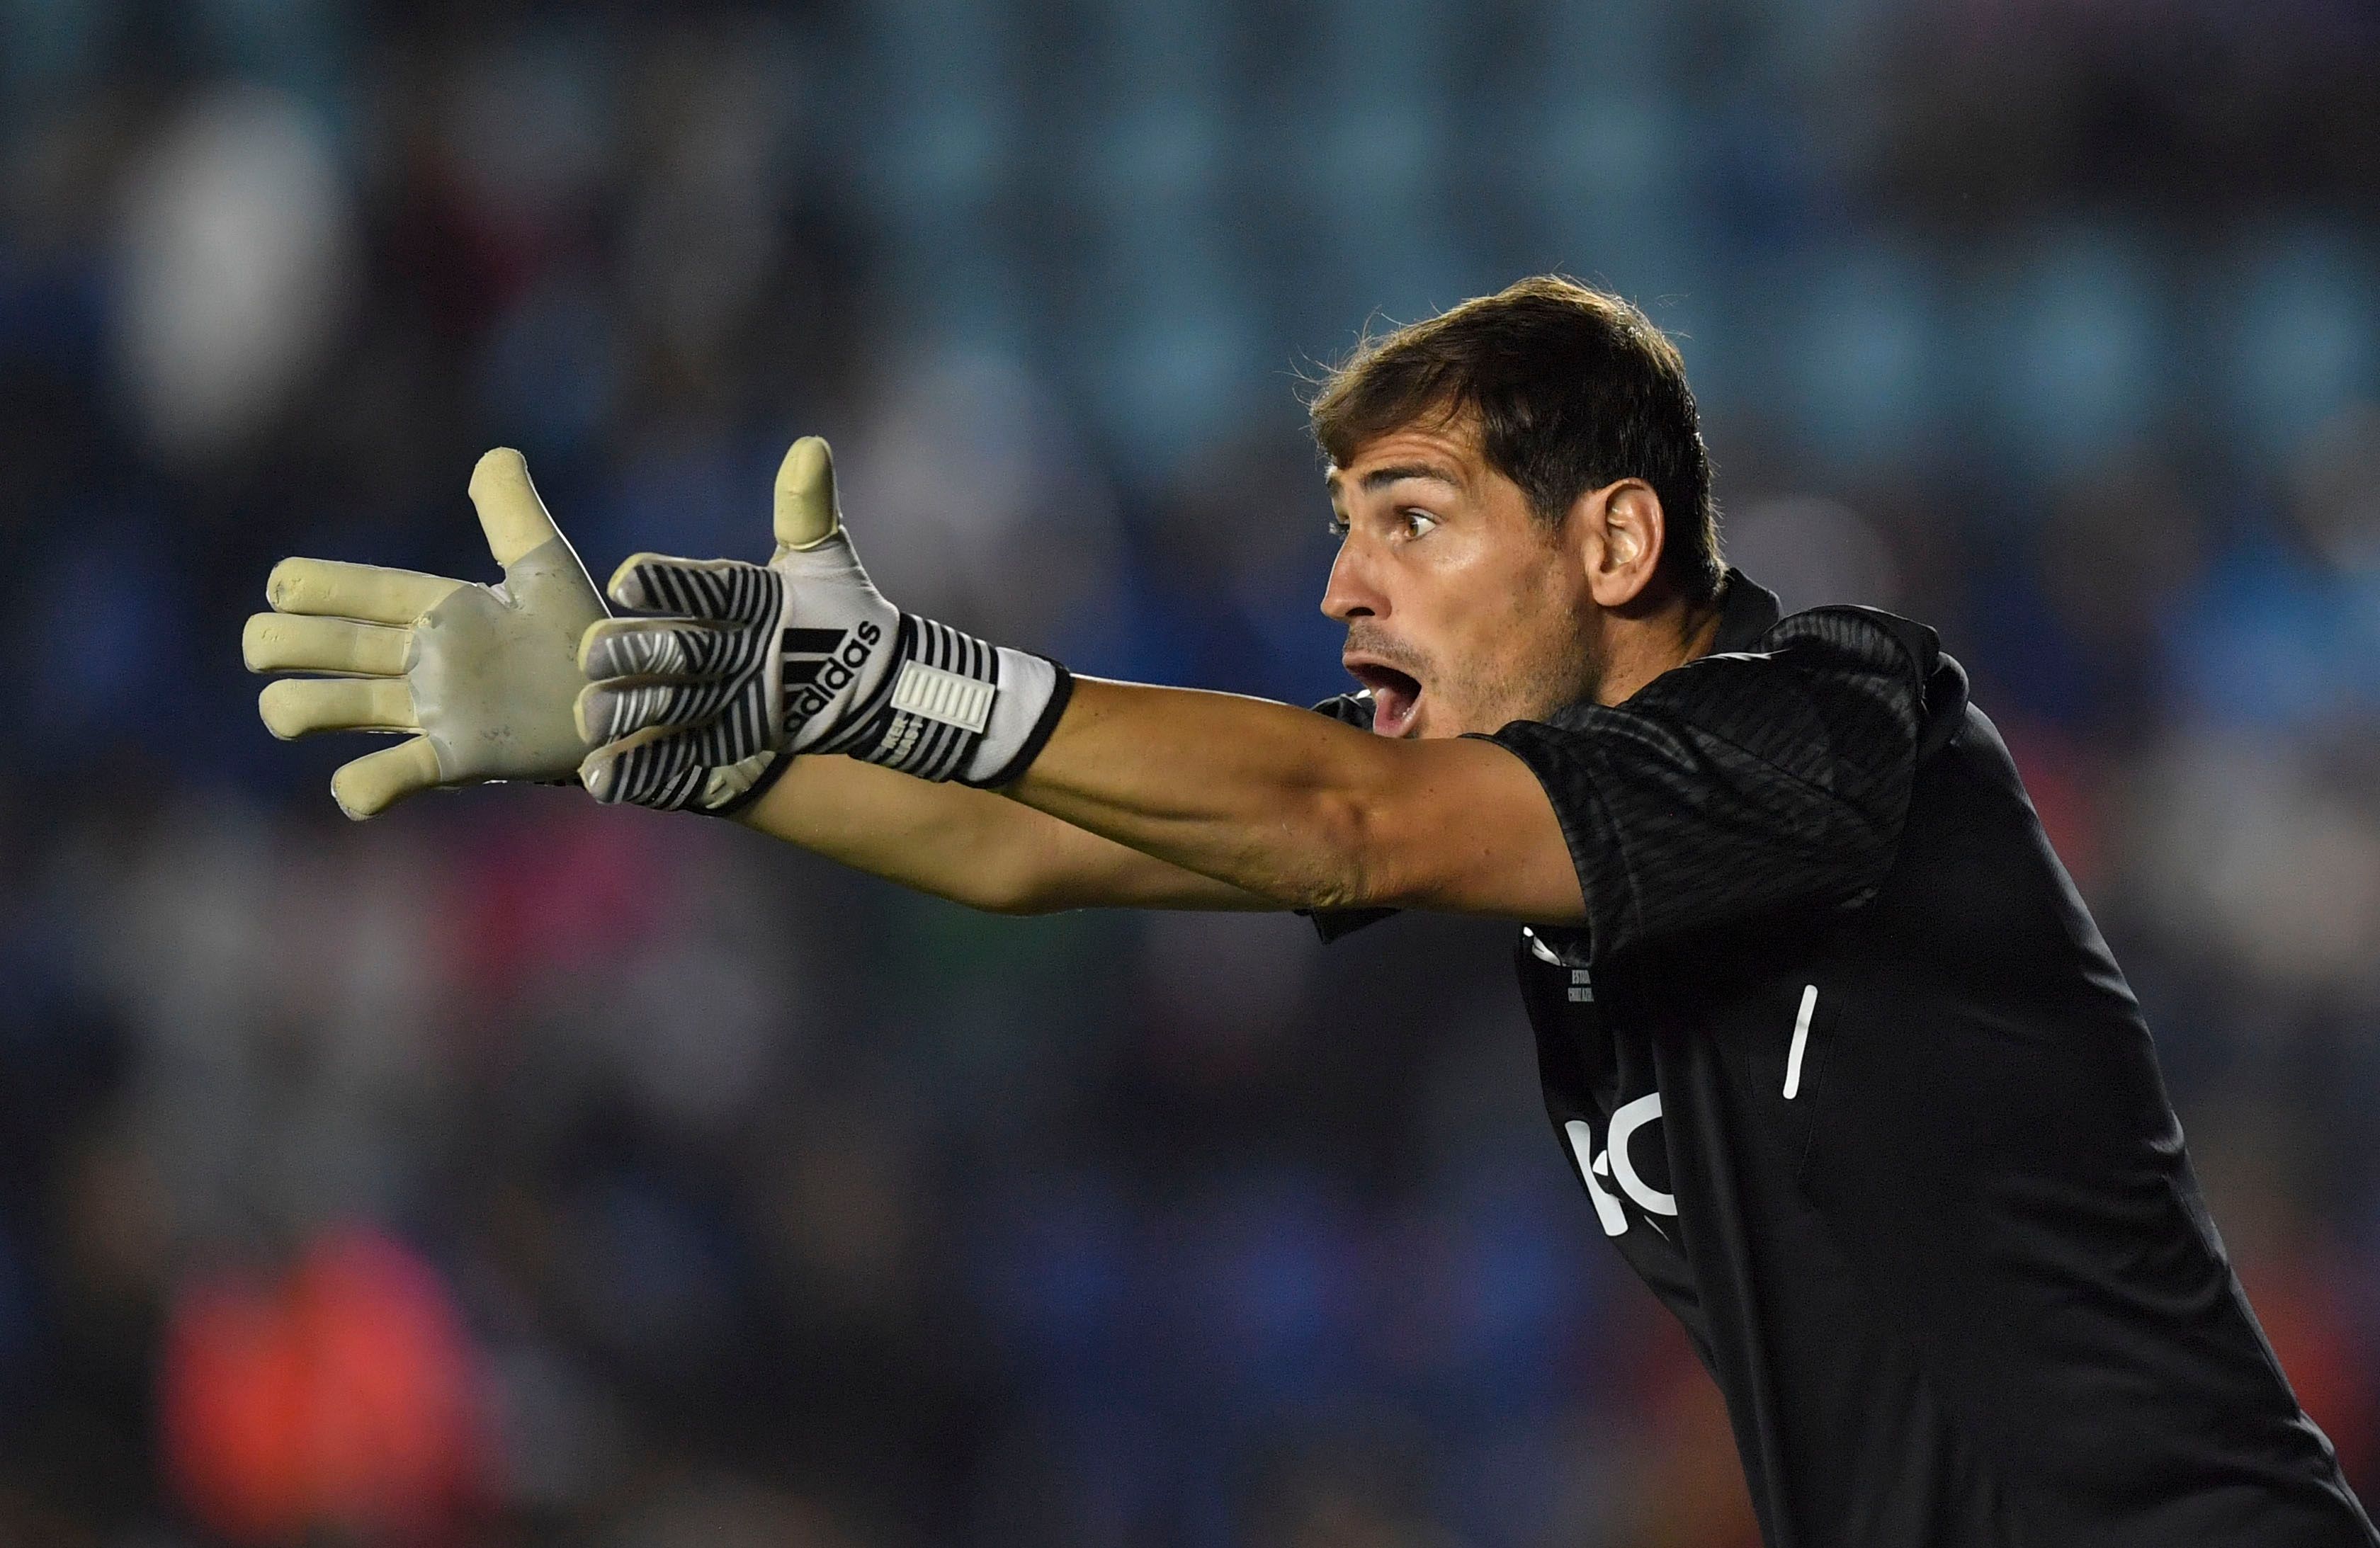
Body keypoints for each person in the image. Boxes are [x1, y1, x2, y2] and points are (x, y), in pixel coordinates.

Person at [245, 275, 2378, 1547]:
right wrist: (684, 741)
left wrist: (894, 669)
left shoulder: (1841, 729)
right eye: (1345, 531)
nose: (1348, 583)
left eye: (1417, 524)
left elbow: (1339, 822)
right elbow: (1027, 845)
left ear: (1621, 537)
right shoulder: (1557, 858)